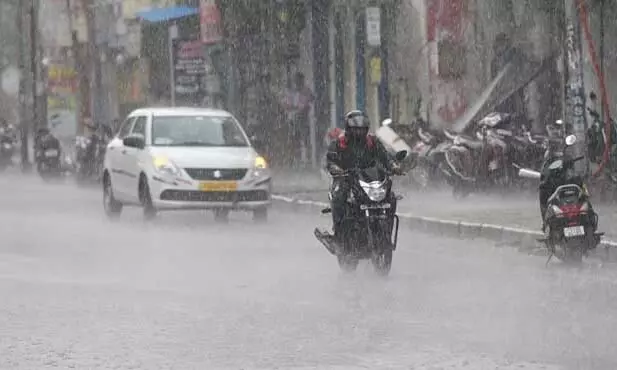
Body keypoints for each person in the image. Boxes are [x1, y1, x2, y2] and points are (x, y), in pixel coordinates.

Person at [325, 110, 404, 241]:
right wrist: (337, 169)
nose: (359, 133)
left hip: (370, 179)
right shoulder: (339, 143)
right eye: (355, 130)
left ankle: (386, 228)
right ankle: (339, 235)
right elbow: (331, 160)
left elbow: (386, 157)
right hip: (346, 179)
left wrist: (394, 167)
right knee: (339, 197)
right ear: (348, 129)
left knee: (391, 196)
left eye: (362, 130)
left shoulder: (373, 142)